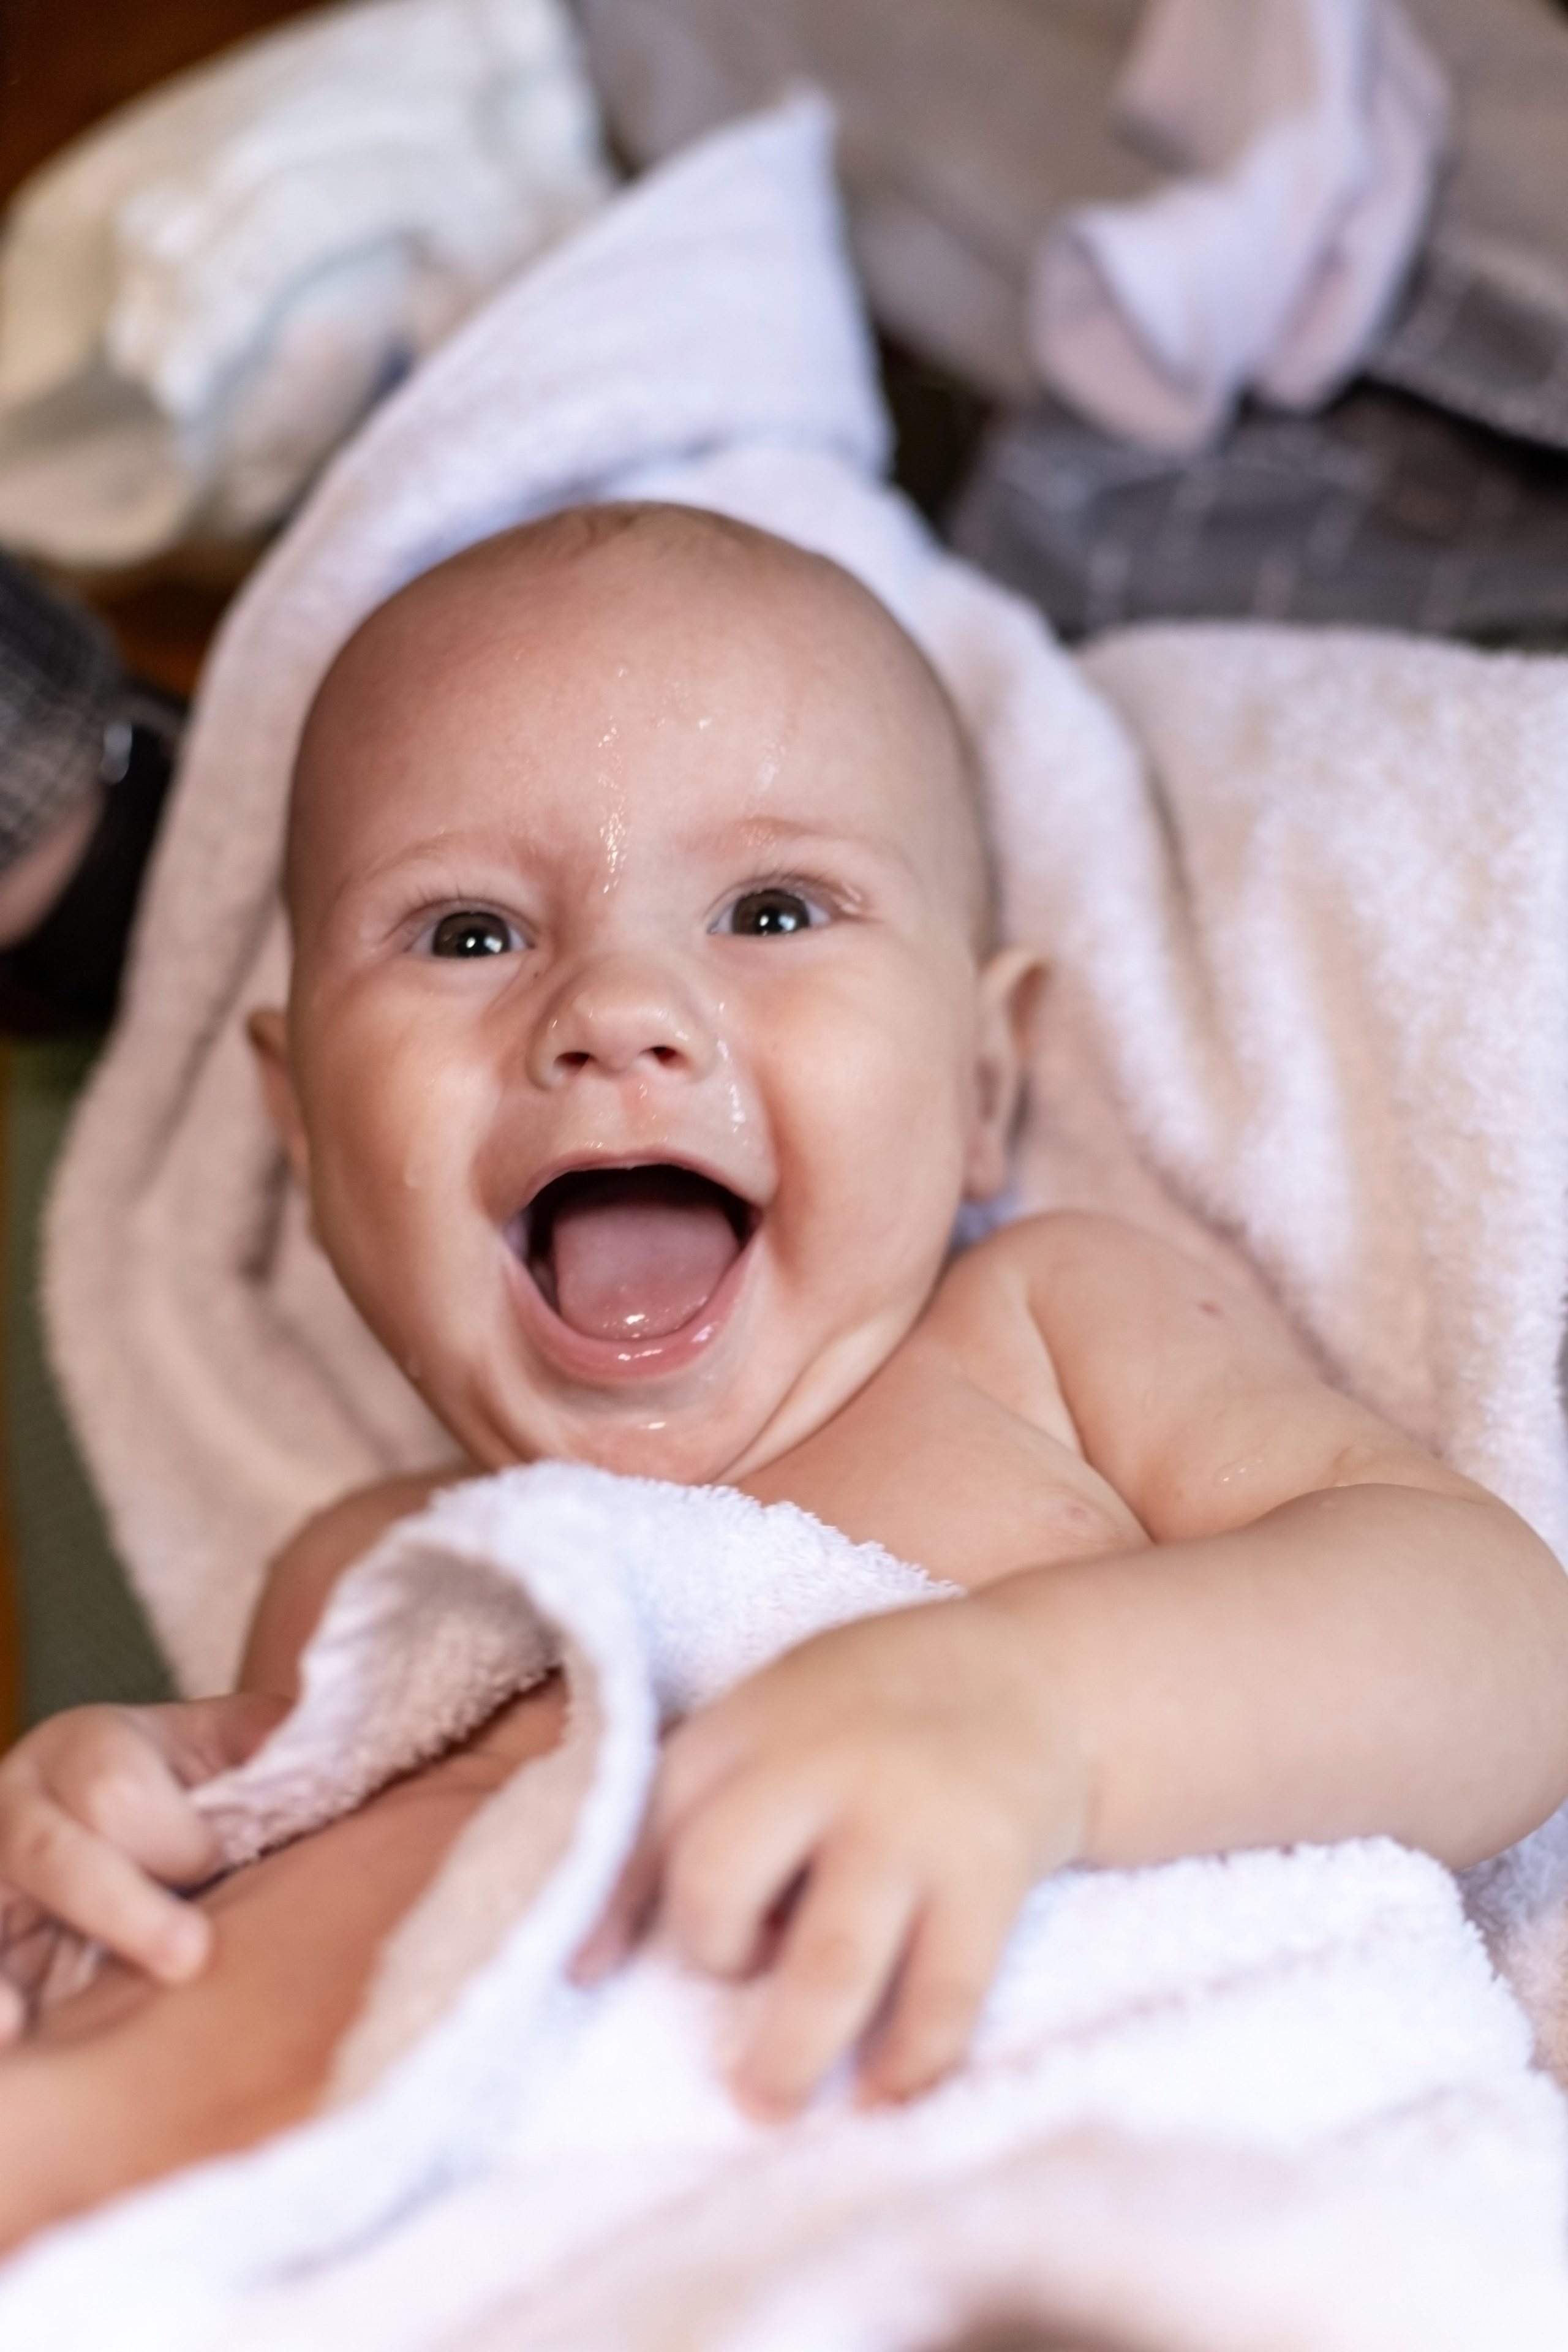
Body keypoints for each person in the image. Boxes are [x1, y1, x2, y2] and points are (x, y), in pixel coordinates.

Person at [2, 502, 1568, 2236]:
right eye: (466, 934)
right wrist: (119, 1795)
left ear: (983, 1076)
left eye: (769, 908)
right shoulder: (367, 1582)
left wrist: (1033, 1714)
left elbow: (1496, 1637)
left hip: (1026, 2221)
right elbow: (255, 1875)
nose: (616, 1005)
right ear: (301, 1126)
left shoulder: (1042, 1342)